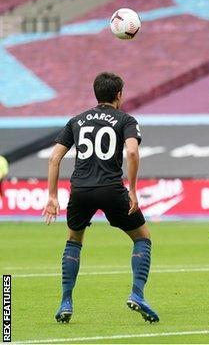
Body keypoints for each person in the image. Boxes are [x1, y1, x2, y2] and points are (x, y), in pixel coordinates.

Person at [42, 72, 158, 323]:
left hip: (81, 190)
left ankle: (65, 302)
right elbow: (133, 152)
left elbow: (54, 158)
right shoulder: (125, 119)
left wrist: (52, 196)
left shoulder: (77, 120)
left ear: (96, 93)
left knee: (74, 241)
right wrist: (133, 189)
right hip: (111, 188)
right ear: (119, 94)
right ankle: (137, 294)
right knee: (142, 237)